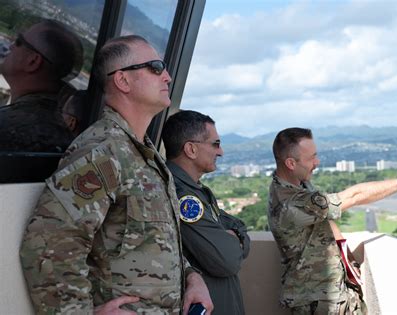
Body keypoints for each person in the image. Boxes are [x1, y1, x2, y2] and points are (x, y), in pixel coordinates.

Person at [20, 35, 213, 314]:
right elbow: (47, 243)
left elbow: (153, 241)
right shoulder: (103, 151)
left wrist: (192, 278)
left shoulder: (144, 154)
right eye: (156, 67)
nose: (168, 76)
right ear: (123, 81)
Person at [267, 127, 397, 315]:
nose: (317, 162)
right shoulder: (291, 202)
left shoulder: (294, 184)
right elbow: (354, 196)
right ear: (290, 163)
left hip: (325, 293)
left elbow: (325, 221)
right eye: (311, 158)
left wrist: (349, 262)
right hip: (318, 301)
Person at [162, 110, 250, 315]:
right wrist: (232, 239)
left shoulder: (196, 191)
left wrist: (236, 236)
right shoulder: (183, 196)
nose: (221, 152)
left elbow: (238, 226)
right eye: (215, 144)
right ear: (191, 149)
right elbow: (227, 260)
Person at [0, 19, 83, 152]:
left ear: (33, 61)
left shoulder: (10, 127)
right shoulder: (54, 123)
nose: (11, 46)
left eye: (19, 42)